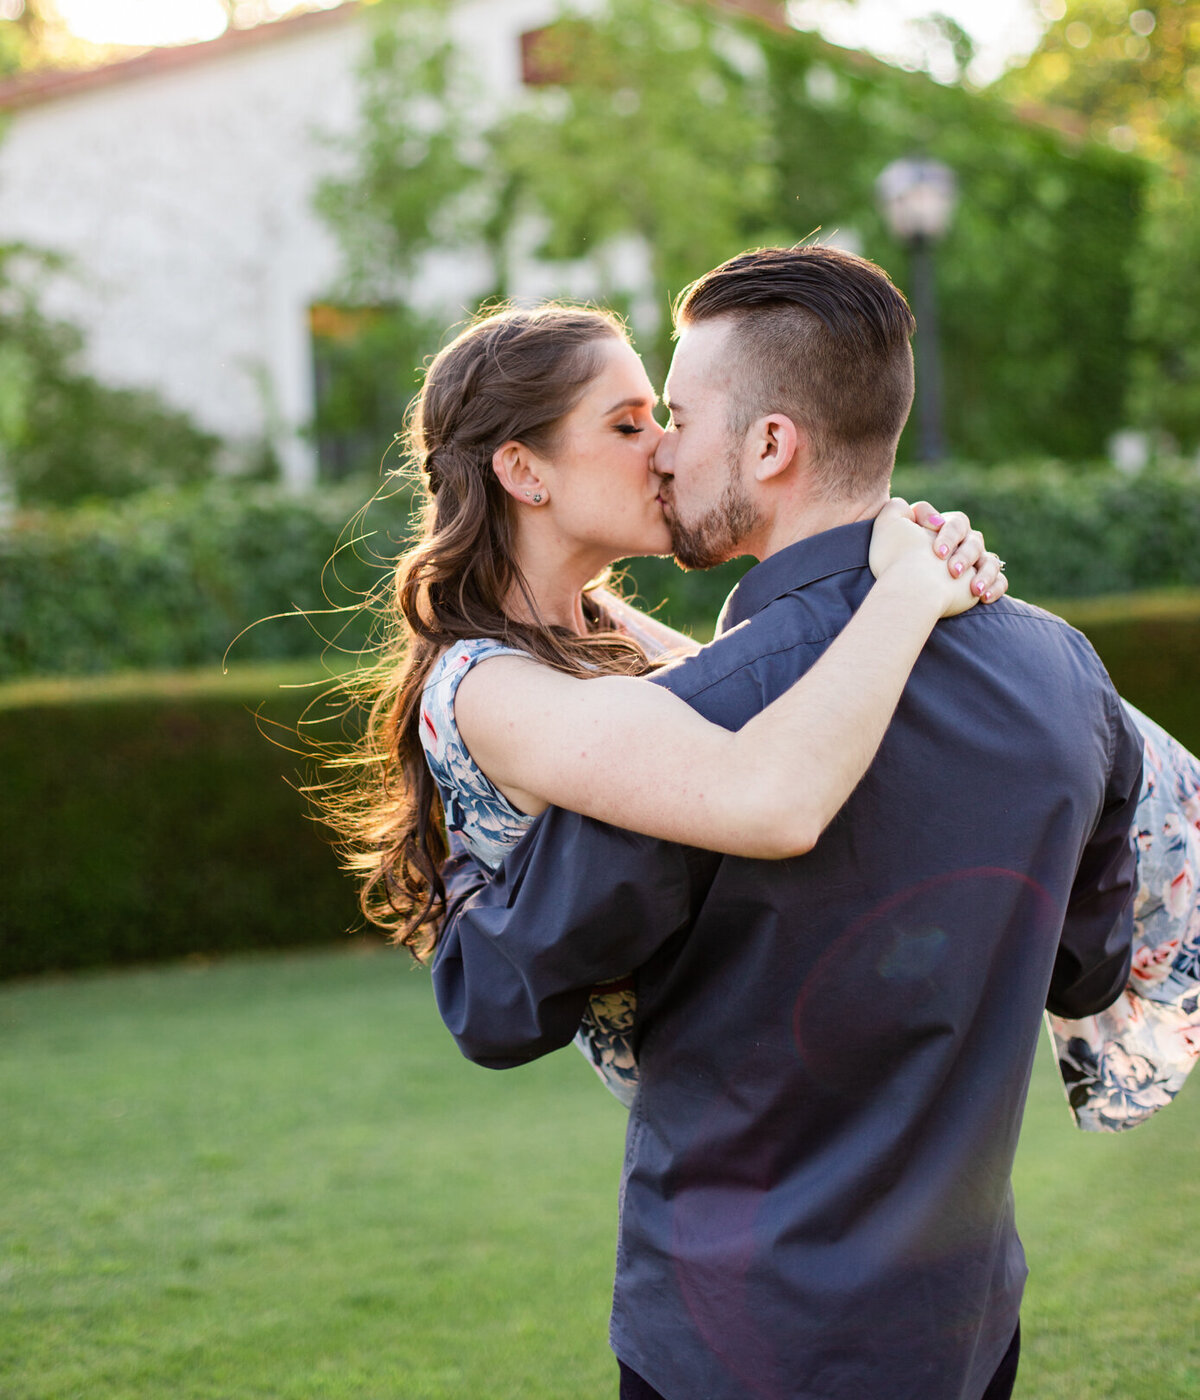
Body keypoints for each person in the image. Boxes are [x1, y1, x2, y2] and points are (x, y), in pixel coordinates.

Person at [429, 244, 1149, 1400]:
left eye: (673, 414)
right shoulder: (1062, 670)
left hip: (736, 1335)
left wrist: (468, 834)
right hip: (963, 1329)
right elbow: (1088, 967)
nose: (663, 449)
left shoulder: (689, 723)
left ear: (770, 444)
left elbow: (501, 1003)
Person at [320, 291, 1004, 1110]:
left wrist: (896, 535)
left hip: (799, 1081)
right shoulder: (489, 692)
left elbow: (805, 696)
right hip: (732, 1136)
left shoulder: (603, 629)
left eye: (662, 418)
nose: (667, 450)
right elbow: (772, 799)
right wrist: (909, 589)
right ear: (523, 471)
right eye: (628, 424)